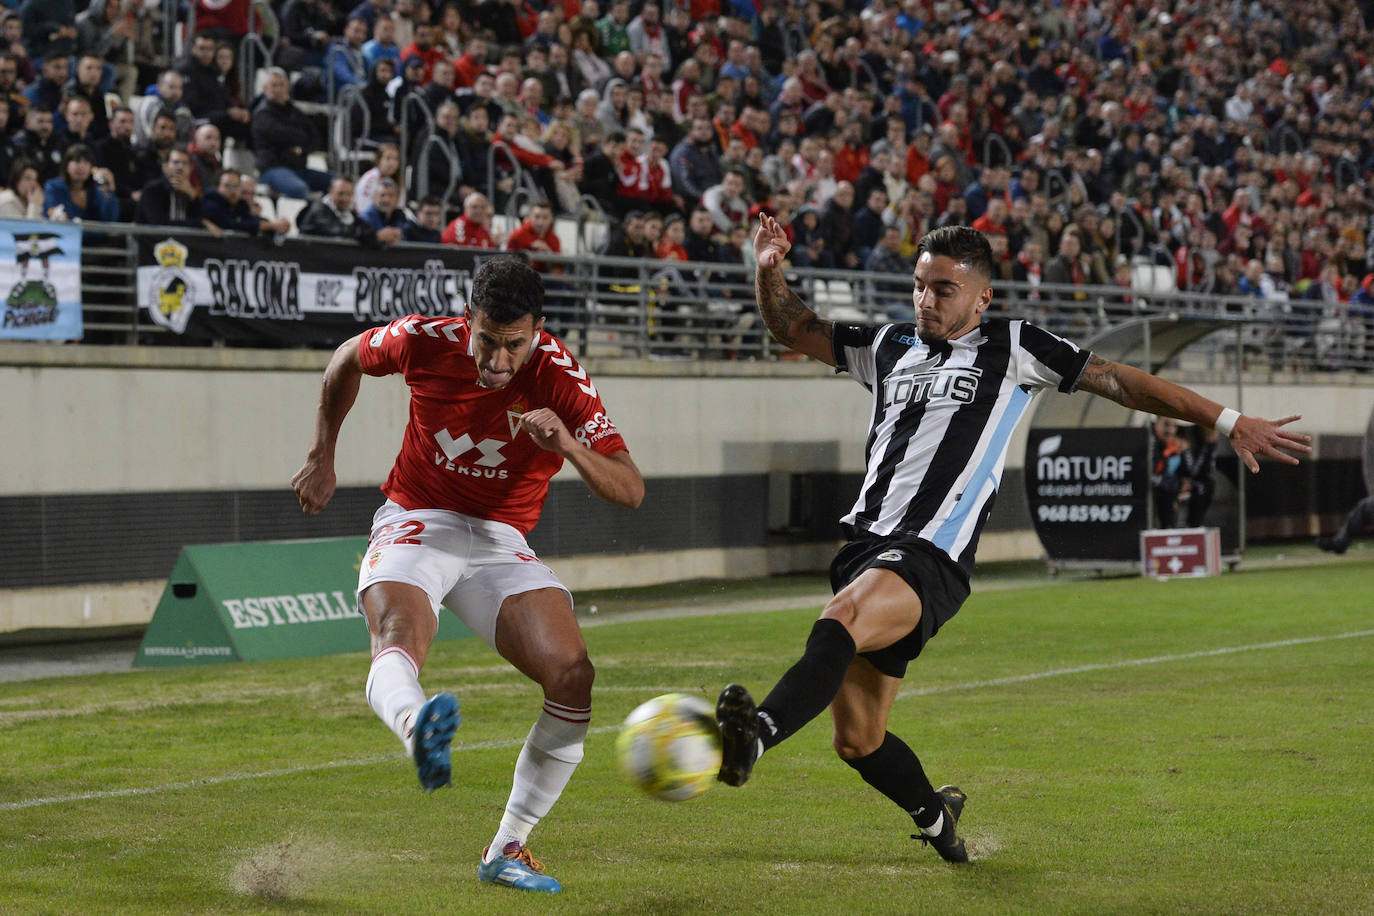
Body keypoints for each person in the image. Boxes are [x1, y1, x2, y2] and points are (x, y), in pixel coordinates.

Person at [713, 219, 1311, 862]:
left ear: (982, 298)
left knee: (841, 620)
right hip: (864, 547)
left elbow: (1119, 381)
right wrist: (769, 269)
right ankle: (939, 821)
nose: (925, 301)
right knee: (858, 740)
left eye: (943, 290)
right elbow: (794, 327)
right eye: (919, 286)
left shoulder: (1015, 345)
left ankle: (755, 737)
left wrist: (1227, 420)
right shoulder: (885, 345)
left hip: (932, 553)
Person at [290, 257, 643, 894]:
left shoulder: (561, 377)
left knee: (572, 677)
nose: (498, 361)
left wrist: (568, 446)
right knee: (399, 631)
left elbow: (631, 488)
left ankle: (507, 848)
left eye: (514, 345)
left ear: (538, 330)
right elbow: (345, 359)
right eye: (487, 340)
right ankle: (416, 727)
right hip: (418, 515)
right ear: (467, 320)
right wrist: (322, 454)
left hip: (499, 539)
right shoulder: (422, 340)